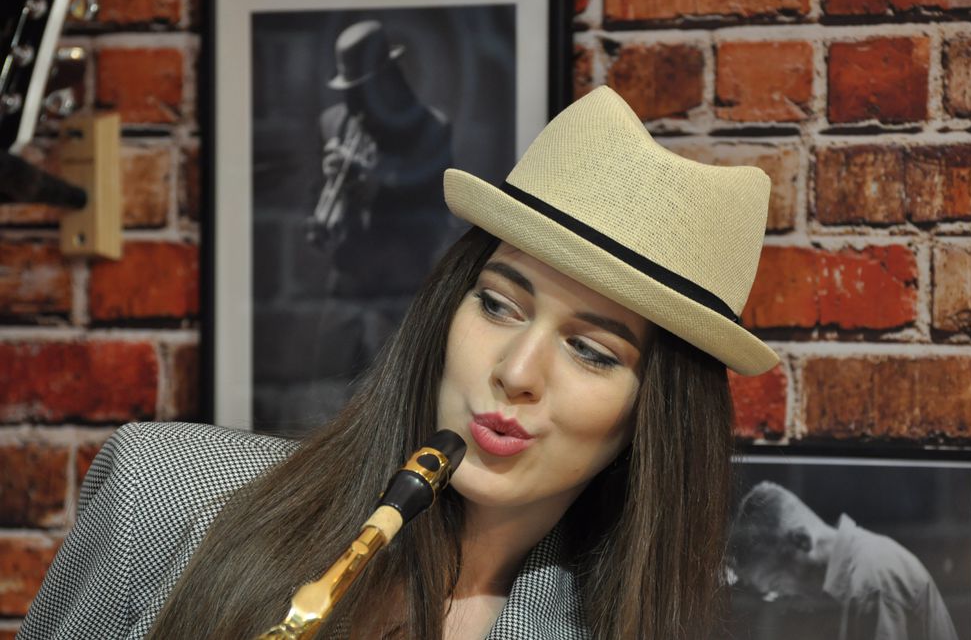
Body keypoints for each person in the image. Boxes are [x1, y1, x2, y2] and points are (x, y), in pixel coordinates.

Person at [18, 86, 778, 639]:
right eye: (499, 304)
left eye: (590, 350)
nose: (517, 371)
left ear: (652, 420)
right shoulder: (161, 492)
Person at [308, 19, 456, 296]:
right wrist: (325, 198)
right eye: (349, 89)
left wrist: (368, 178)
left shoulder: (432, 129)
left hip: (400, 288)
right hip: (346, 285)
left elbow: (434, 215)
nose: (354, 99)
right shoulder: (331, 123)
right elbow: (315, 194)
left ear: (387, 76)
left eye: (363, 87)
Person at [728, 481, 960, 640]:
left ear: (801, 541)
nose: (784, 597)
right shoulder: (860, 574)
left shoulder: (870, 580)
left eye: (776, 585)